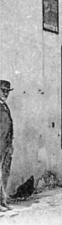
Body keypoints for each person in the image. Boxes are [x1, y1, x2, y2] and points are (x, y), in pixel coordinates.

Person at [0, 80, 14, 211]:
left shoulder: (4, 106)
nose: (5, 94)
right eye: (3, 91)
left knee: (4, 174)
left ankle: (3, 201)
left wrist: (10, 145)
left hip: (6, 147)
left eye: (7, 92)